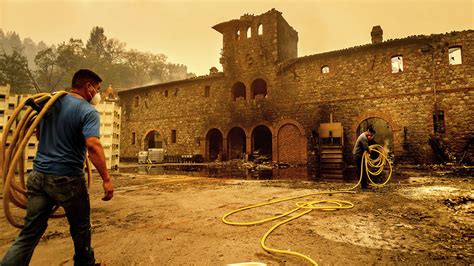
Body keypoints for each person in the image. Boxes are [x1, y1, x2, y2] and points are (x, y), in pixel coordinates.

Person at [1, 69, 114, 266]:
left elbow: (37, 132)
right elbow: (93, 145)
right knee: (80, 229)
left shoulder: (49, 104)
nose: (98, 93)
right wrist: (106, 179)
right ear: (88, 87)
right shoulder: (88, 111)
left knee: (29, 233)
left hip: (38, 176)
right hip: (67, 179)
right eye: (97, 88)